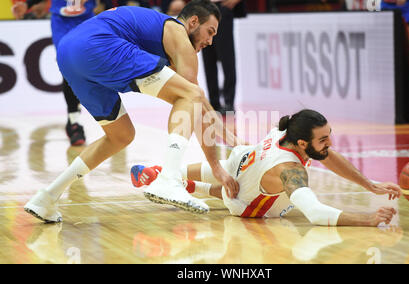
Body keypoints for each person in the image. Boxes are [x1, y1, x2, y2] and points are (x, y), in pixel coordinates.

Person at [24, 0, 242, 223]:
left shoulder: (162, 31)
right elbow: (195, 99)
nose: (210, 41)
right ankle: (169, 178)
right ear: (193, 21)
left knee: (121, 136)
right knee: (189, 95)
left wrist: (229, 136)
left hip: (68, 53)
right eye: (210, 32)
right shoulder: (178, 34)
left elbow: (200, 104)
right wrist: (217, 166)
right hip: (99, 44)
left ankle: (47, 197)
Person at [132, 109, 402, 226]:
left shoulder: (284, 129)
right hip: (243, 204)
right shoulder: (290, 170)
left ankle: (166, 174)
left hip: (240, 161)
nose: (330, 142)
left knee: (231, 168)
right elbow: (317, 214)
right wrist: (368, 218)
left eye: (329, 134)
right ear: (301, 142)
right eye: (323, 138)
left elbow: (328, 155)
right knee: (244, 193)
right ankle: (186, 183)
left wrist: (369, 184)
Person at [12, 0, 96, 146]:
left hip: (86, 18)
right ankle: (74, 122)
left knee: (91, 69)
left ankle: (107, 118)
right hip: (62, 21)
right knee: (69, 67)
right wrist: (28, 4)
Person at [201, 0, 246, 113]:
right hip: (203, 8)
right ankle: (213, 102)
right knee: (208, 58)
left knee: (227, 58)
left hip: (221, 8)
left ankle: (229, 102)